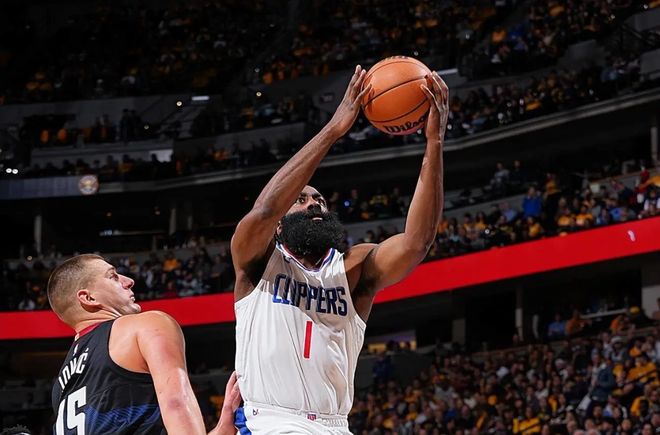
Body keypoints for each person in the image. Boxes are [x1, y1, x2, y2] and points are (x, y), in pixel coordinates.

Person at [231, 66, 448, 433]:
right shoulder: (257, 263)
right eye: (301, 199)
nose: (314, 204)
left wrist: (434, 144)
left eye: (319, 200)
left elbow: (417, 242)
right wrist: (333, 130)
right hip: (271, 421)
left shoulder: (353, 268)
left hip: (335, 425)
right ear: (280, 224)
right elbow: (265, 210)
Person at [47, 254, 240, 435]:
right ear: (89, 298)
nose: (129, 281)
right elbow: (175, 404)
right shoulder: (145, 325)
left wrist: (221, 430)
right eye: (113, 276)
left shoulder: (61, 387)